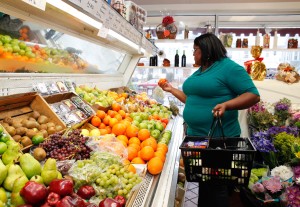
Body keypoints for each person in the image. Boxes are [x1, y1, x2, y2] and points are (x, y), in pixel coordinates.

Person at [160, 33, 260, 207]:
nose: (193, 54)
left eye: (196, 50)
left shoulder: (229, 68)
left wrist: (227, 105)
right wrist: (171, 90)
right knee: (206, 185)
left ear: (206, 50)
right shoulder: (201, 71)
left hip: (219, 139)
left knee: (216, 188)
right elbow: (192, 100)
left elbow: (253, 95)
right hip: (198, 139)